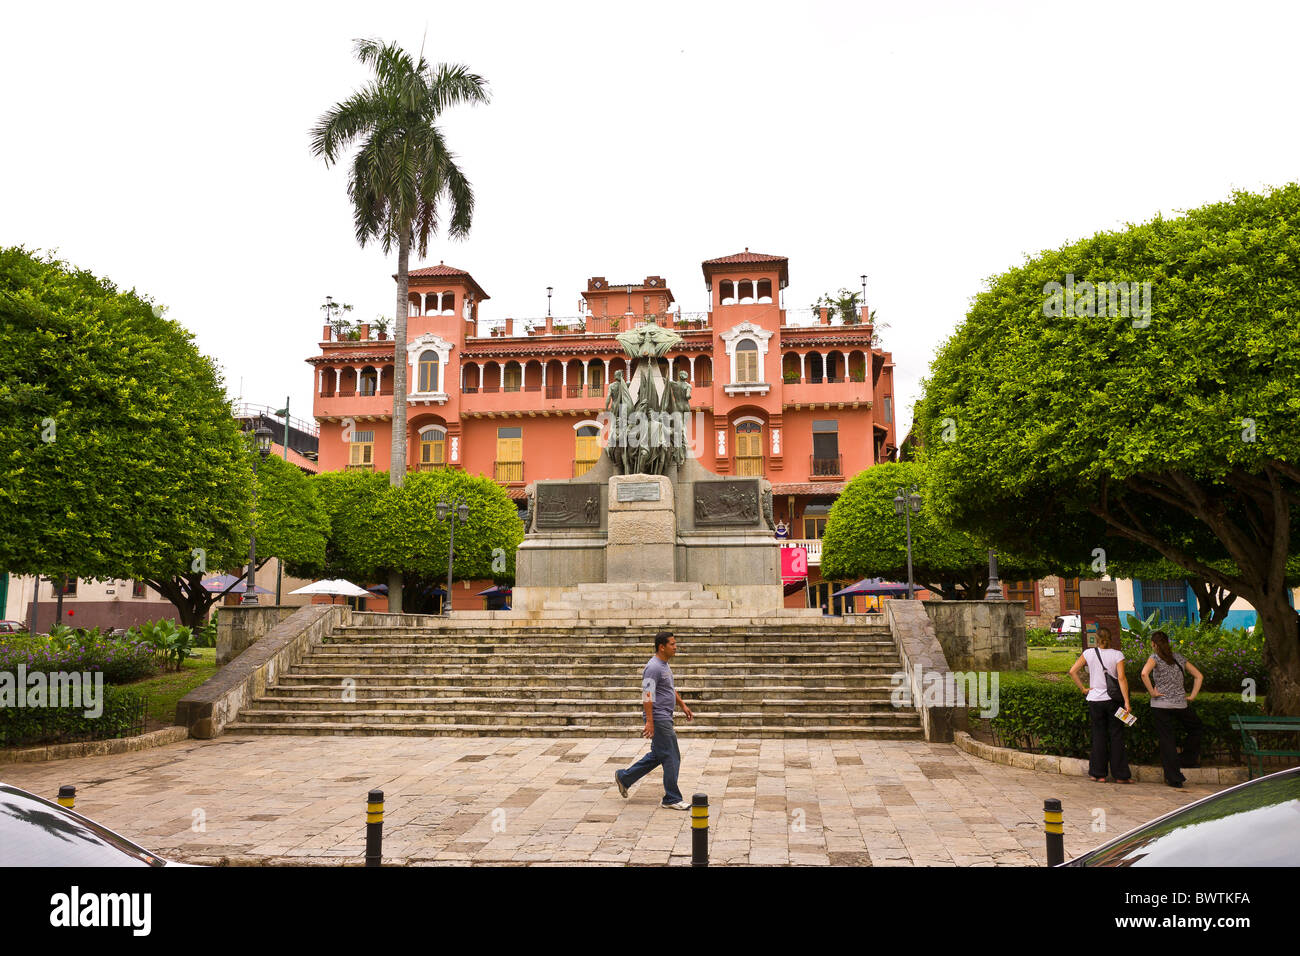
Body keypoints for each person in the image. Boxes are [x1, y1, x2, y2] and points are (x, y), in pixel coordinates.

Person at [613, 631, 694, 809]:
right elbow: (647, 694)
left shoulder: (664, 665)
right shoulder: (653, 667)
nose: (675, 647)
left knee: (658, 755)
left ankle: (624, 777)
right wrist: (649, 721)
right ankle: (672, 798)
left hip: (664, 716)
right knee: (672, 756)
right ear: (661, 647)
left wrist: (682, 705)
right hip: (659, 718)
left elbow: (669, 689)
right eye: (672, 644)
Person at [1068, 626, 1133, 783]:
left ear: (1096, 639)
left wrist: (1083, 688)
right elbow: (1122, 678)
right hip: (1113, 701)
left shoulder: (1088, 653)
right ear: (1111, 639)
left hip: (1095, 700)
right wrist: (1126, 702)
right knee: (1116, 736)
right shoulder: (1117, 655)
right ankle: (1121, 775)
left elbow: (1072, 671)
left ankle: (1098, 774)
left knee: (1099, 736)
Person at [1141, 630, 1204, 788]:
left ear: (1154, 644)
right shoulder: (1179, 657)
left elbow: (1143, 674)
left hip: (1160, 705)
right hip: (1180, 704)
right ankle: (1187, 759)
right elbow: (1199, 676)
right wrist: (1193, 695)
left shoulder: (1154, 657)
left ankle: (1174, 778)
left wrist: (1152, 692)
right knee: (1196, 727)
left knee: (1167, 740)